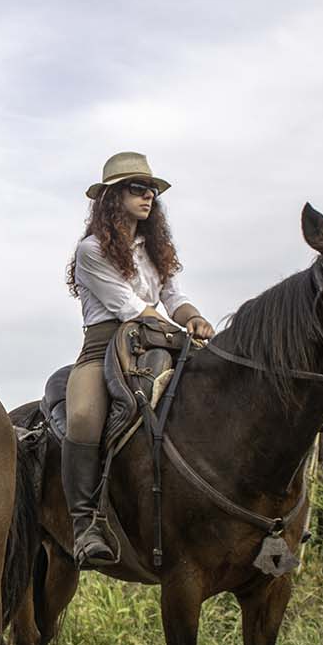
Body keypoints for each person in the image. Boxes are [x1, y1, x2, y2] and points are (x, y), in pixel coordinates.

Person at [63, 152, 213, 566]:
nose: (148, 196)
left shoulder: (156, 247)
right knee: (83, 417)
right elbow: (129, 307)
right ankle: (85, 523)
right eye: (137, 188)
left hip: (158, 341)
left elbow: (173, 297)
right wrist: (179, 332)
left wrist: (196, 319)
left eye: (151, 190)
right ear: (113, 197)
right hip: (105, 345)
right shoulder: (90, 250)